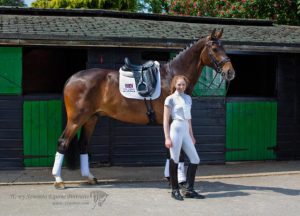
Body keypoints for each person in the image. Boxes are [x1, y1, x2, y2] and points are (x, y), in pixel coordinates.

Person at [163, 75, 205, 201]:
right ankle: (174, 190)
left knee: (195, 159)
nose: (181, 87)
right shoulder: (170, 99)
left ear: (186, 86)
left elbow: (189, 118)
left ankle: (189, 190)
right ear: (175, 85)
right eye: (179, 84)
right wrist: (167, 137)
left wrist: (191, 135)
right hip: (175, 128)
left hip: (186, 129)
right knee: (174, 159)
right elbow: (165, 120)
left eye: (183, 84)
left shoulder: (188, 98)